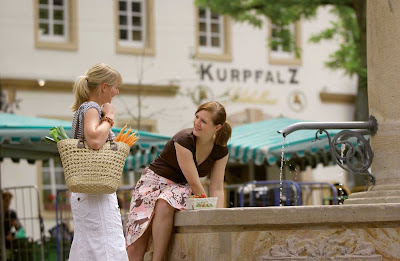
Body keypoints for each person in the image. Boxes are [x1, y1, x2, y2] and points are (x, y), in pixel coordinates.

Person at [126, 101, 232, 261]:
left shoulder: (221, 150)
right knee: (136, 243)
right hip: (152, 181)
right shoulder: (183, 140)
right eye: (197, 117)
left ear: (217, 127)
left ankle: (158, 259)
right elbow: (196, 184)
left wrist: (218, 218)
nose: (197, 123)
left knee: (165, 202)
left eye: (204, 121)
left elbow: (217, 187)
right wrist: (207, 206)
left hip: (180, 187)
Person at [68, 63, 128, 260]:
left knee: (90, 247)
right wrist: (109, 117)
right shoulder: (92, 108)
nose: (116, 92)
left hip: (86, 191)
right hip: (95, 192)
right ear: (104, 87)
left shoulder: (84, 108)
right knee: (104, 249)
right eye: (115, 87)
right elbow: (94, 140)